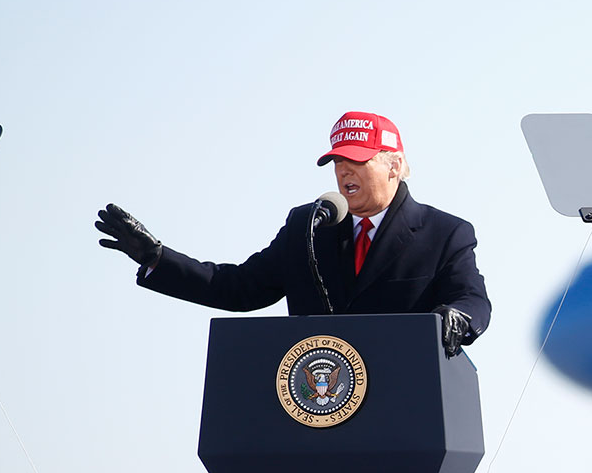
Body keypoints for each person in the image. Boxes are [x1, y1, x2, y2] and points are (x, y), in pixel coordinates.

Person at [96, 111, 491, 356]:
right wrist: (157, 259)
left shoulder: (444, 233)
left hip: (405, 409)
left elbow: (471, 298)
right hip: (312, 417)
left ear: (393, 165)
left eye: (356, 160)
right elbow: (240, 287)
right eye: (337, 161)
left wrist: (456, 318)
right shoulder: (309, 226)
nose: (343, 172)